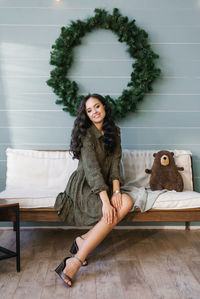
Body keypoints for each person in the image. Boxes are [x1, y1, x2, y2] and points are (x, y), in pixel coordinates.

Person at [54, 93, 133, 287]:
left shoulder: (114, 131)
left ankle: (82, 242)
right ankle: (76, 260)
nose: (94, 112)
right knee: (113, 210)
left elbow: (116, 163)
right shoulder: (86, 134)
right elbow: (92, 172)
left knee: (126, 202)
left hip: (105, 185)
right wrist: (106, 202)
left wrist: (116, 192)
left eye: (97, 107)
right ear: (86, 115)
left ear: (104, 107)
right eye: (89, 110)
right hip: (84, 186)